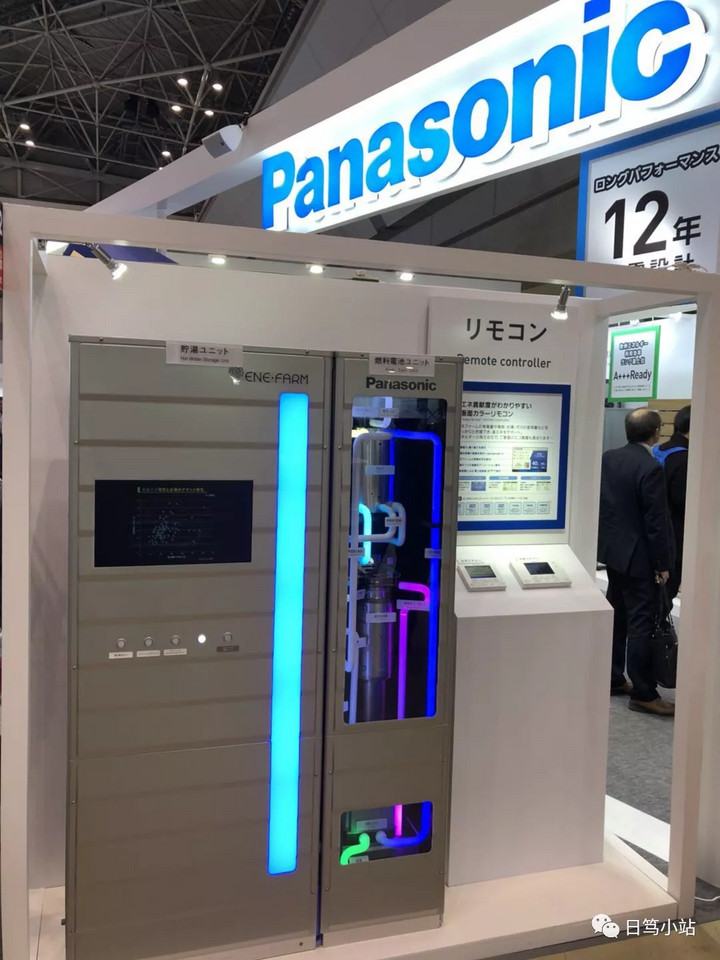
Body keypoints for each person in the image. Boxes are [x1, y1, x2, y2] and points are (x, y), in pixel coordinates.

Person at [598, 408, 675, 716]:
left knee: (617, 616)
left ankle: (613, 676)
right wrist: (662, 563)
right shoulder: (650, 467)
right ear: (656, 432)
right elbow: (656, 522)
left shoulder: (609, 458)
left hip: (614, 553)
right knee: (642, 623)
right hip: (640, 557)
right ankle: (644, 692)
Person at [654, 405, 690, 602]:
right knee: (668, 592)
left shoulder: (658, 450)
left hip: (653, 532)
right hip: (675, 536)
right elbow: (684, 501)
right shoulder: (685, 458)